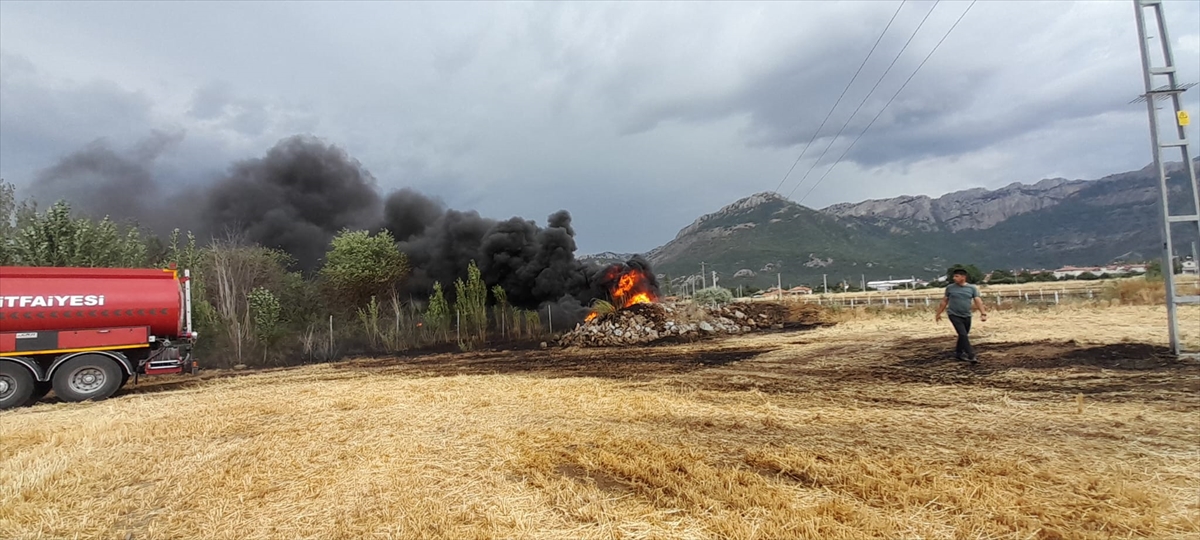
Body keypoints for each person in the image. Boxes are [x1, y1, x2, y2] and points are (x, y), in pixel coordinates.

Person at [935, 268, 987, 363]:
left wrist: (983, 313)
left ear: (963, 277)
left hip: (967, 315)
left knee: (963, 335)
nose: (954, 278)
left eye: (956, 276)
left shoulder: (972, 288)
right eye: (954, 276)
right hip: (954, 314)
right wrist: (938, 313)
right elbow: (944, 301)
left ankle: (958, 353)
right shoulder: (950, 288)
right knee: (963, 334)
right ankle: (971, 355)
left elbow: (978, 301)